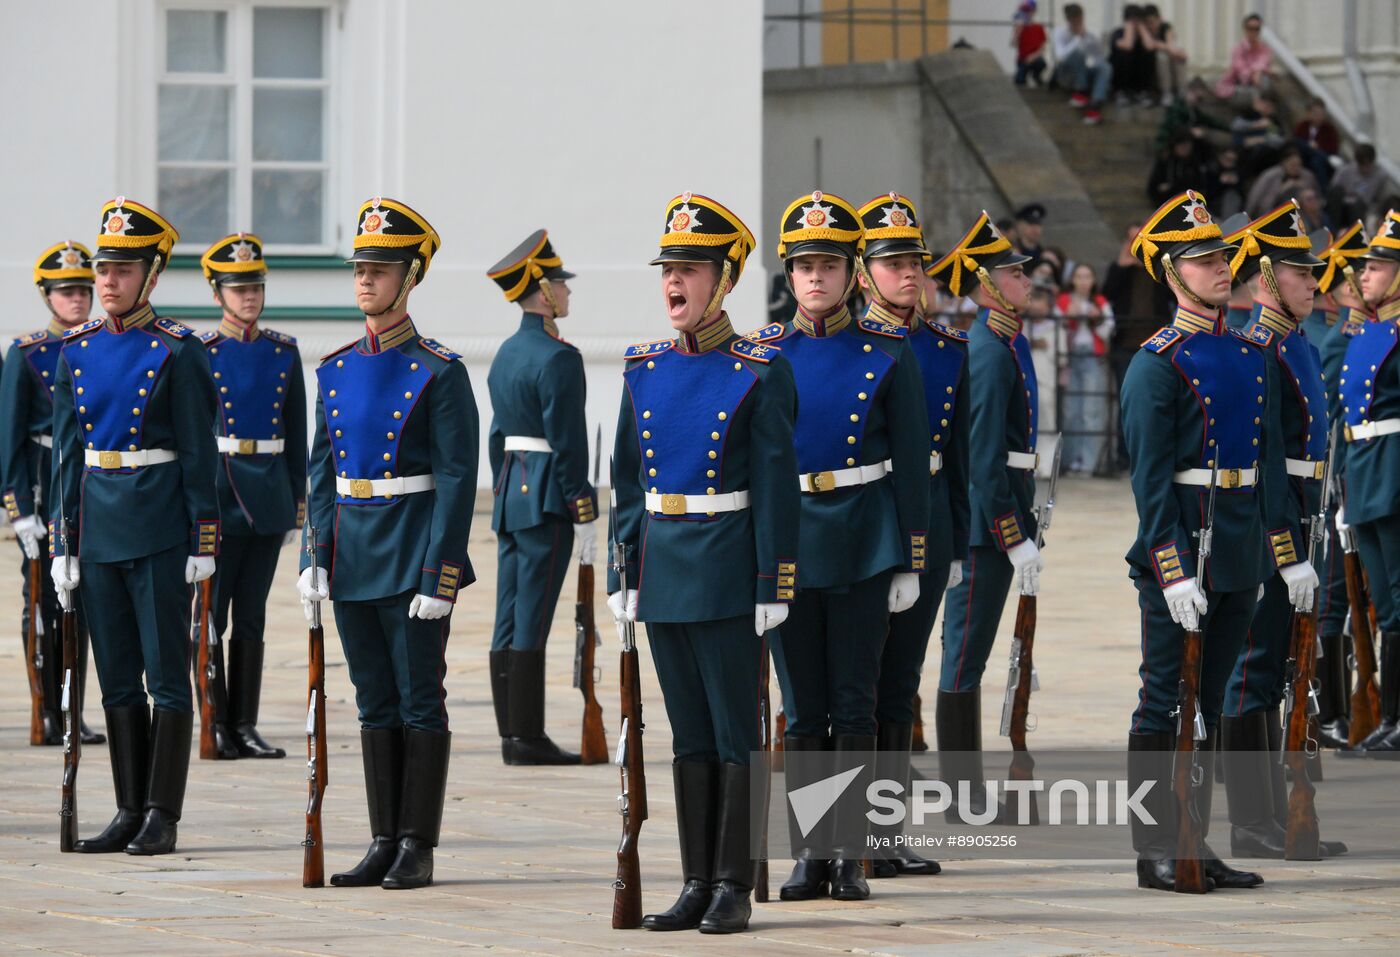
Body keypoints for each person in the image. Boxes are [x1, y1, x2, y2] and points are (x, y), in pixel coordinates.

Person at [607, 192, 798, 934]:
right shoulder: (643, 370)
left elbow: (777, 482)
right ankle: (693, 879)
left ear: (722, 280)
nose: (674, 282)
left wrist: (773, 580)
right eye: (668, 270)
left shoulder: (758, 369)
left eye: (689, 269)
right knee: (687, 737)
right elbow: (628, 481)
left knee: (733, 736)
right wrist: (627, 570)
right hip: (665, 568)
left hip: (726, 568)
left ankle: (733, 883)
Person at [754, 190, 929, 904]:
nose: (816, 278)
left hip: (860, 537)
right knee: (802, 709)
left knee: (855, 705)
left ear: (854, 271)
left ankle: (850, 854)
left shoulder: (886, 353)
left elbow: (913, 464)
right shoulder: (766, 354)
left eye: (828, 264)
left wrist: (910, 557)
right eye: (804, 267)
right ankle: (811, 852)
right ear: (789, 275)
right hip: (793, 540)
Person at [298, 197, 477, 890]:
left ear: (410, 277)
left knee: (418, 698)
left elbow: (458, 481)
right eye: (360, 269)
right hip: (353, 549)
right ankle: (382, 836)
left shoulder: (439, 370)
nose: (366, 280)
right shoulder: (337, 367)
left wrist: (442, 574)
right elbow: (320, 470)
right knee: (372, 698)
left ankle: (417, 842)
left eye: (381, 269)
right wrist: (316, 554)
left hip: (410, 551)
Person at [50, 198, 218, 856]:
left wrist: (204, 536)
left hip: (157, 524)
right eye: (103, 268)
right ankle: (126, 807)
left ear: (151, 274)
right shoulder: (78, 351)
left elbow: (202, 452)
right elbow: (67, 457)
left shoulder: (177, 350)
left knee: (165, 675)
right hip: (98, 524)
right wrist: (65, 543)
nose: (107, 280)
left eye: (122, 269)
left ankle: (162, 811)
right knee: (116, 676)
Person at [1120, 189, 1266, 892]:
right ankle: (1155, 844)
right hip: (1184, 552)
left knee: (1207, 701)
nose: (1219, 268)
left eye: (1221, 256)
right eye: (1202, 260)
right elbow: (1150, 484)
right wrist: (1173, 570)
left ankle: (1196, 842)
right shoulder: (1157, 362)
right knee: (1164, 700)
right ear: (1171, 273)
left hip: (1236, 547)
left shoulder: (1244, 352)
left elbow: (1257, 463)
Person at [1216, 203, 1346, 859]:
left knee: (1277, 671)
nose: (1313, 283)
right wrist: (1287, 550)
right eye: (1299, 273)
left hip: (1305, 516)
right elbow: (1262, 462)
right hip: (1273, 530)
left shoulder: (1294, 341)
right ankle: (1250, 820)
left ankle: (1275, 814)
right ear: (1265, 279)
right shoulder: (1259, 348)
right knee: (1252, 670)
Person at [853, 192, 966, 879]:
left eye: (913, 263)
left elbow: (954, 459)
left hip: (928, 523)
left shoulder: (946, 351)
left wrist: (951, 544)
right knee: (853, 683)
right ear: (862, 273)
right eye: (891, 263)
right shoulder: (850, 343)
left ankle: (885, 830)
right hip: (866, 521)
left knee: (900, 683)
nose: (906, 275)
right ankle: (845, 829)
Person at [927, 212, 1042, 822]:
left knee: (969, 653)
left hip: (1003, 514)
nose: (1025, 279)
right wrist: (1011, 532)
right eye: (1012, 273)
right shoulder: (989, 351)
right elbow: (983, 455)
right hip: (982, 528)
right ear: (986, 284)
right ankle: (960, 795)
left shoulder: (1005, 341)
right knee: (963, 656)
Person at [483, 230, 595, 767]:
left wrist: (503, 483)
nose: (567, 294)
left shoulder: (506, 353)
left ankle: (513, 732)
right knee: (533, 617)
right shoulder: (558, 358)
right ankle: (526, 737)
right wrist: (583, 501)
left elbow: (495, 436)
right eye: (560, 285)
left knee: (508, 615)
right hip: (547, 493)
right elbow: (568, 440)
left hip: (511, 490)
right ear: (542, 292)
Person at [196, 232, 305, 760]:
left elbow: (298, 428)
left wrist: (297, 497)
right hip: (220, 492)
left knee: (254, 614)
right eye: (237, 288)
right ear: (217, 293)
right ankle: (214, 721)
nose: (249, 297)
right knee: (212, 614)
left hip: (267, 494)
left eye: (255, 287)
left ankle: (245, 723)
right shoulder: (202, 352)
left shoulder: (283, 352)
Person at [0, 243, 104, 746]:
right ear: (47, 296)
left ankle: (72, 711)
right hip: (43, 483)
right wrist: (18, 510)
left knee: (80, 603)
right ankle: (43, 709)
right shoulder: (25, 354)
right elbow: (9, 438)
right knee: (40, 600)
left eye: (84, 290)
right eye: (67, 292)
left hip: (89, 483)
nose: (78, 299)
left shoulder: (98, 346)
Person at [1335, 208, 1400, 754]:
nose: (1366, 274)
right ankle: (1389, 719)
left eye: (1379, 266)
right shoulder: (1367, 332)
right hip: (1366, 472)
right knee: (1384, 598)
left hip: (1395, 470)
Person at [1309, 222, 1371, 750]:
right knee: (1332, 597)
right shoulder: (1334, 341)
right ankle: (1328, 710)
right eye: (1353, 281)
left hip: (1361, 481)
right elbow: (1327, 422)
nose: (1362, 288)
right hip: (1341, 488)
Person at [1057, 263, 1114, 475]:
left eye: (1087, 276)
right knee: (1071, 410)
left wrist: (1095, 317)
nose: (1082, 281)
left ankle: (1089, 463)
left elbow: (1109, 330)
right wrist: (1067, 316)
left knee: (1091, 409)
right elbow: (1054, 326)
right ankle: (1070, 460)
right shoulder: (1063, 301)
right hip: (1070, 357)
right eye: (1079, 277)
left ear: (1093, 280)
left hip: (1093, 356)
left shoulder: (1100, 302)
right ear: (1072, 280)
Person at [1053, 3, 1112, 126]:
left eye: (1080, 19)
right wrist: (1077, 39)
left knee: (1105, 67)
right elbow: (1061, 57)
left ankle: (1096, 104)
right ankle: (1081, 91)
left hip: (1084, 73)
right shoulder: (1059, 32)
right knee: (1078, 54)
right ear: (1069, 20)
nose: (1078, 23)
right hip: (1066, 75)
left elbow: (1098, 56)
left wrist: (1090, 38)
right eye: (1075, 20)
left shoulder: (1088, 33)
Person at [1246, 146, 1321, 219]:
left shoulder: (1307, 176)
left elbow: (1318, 199)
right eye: (1292, 165)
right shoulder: (1270, 176)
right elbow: (1257, 201)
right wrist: (1282, 189)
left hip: (1301, 217)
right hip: (1270, 216)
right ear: (1283, 163)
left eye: (1298, 165)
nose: (1295, 168)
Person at [1215, 12, 1274, 106]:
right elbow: (1241, 70)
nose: (1254, 32)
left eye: (1257, 29)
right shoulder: (1238, 48)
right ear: (1245, 29)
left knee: (1266, 81)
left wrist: (1258, 71)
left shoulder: (1265, 49)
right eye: (1250, 28)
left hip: (1256, 84)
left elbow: (1263, 63)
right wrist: (1255, 72)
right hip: (1238, 84)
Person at [1328, 144, 1388, 227]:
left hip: (1362, 209)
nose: (1365, 168)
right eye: (1362, 165)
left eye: (1368, 165)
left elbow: (1378, 201)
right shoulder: (1346, 170)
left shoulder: (1380, 176)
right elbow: (1333, 188)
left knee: (1358, 206)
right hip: (1343, 205)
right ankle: (1334, 228)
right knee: (1336, 193)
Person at [1147, 129, 1212, 205]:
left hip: (1193, 203)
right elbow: (1153, 188)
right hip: (1168, 204)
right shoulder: (1166, 162)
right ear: (1175, 146)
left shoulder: (1196, 161)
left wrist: (1201, 139)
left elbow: (1209, 154)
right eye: (1182, 146)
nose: (1185, 149)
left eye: (1188, 146)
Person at [1109, 4, 1156, 107]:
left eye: (1138, 20)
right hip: (1121, 78)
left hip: (1138, 78)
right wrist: (1129, 29)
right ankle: (1121, 92)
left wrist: (1142, 30)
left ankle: (1143, 92)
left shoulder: (1144, 36)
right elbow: (1128, 45)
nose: (1135, 24)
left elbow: (1150, 46)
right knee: (1124, 54)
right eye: (1133, 20)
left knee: (1148, 52)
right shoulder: (1117, 33)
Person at [1143, 4, 1187, 106]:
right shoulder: (1144, 32)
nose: (1150, 25)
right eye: (1147, 23)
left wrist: (1177, 52)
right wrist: (1169, 48)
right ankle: (1166, 93)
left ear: (1159, 19)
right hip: (1152, 70)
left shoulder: (1166, 27)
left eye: (1152, 22)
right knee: (1162, 56)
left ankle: (1181, 91)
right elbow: (1149, 45)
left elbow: (1171, 46)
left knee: (1176, 54)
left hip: (1169, 65)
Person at [1293, 98, 1340, 189]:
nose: (1319, 116)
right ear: (1309, 113)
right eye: (1315, 113)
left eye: (1321, 113)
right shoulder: (1301, 127)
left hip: (1321, 161)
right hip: (1304, 157)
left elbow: (1333, 148)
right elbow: (1296, 144)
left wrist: (1318, 147)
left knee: (1317, 161)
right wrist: (1310, 147)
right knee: (1303, 145)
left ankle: (1324, 191)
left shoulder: (1329, 130)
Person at [1011, 1, 1047, 87]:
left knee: (1041, 63)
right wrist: (1018, 31)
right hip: (1023, 60)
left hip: (1035, 59)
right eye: (1024, 11)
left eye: (1028, 10)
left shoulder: (1039, 27)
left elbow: (1042, 47)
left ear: (1034, 11)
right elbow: (1014, 44)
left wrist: (1033, 56)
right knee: (1019, 81)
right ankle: (1021, 76)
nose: (1026, 13)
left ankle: (1036, 75)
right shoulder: (1019, 27)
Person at [1012, 203, 1046, 272]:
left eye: (1038, 224)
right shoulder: (1011, 253)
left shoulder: (1044, 255)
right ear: (1019, 225)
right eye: (1031, 223)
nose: (1035, 228)